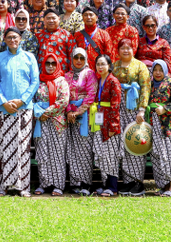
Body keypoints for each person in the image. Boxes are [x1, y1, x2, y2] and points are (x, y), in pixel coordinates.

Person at [0, 28, 39, 196]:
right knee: (4, 146)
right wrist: (4, 102)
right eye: (9, 37)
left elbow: (35, 81)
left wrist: (23, 100)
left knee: (23, 146)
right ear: (5, 40)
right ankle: (3, 186)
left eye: (15, 37)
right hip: (4, 109)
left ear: (20, 39)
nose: (12, 40)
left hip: (24, 109)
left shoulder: (29, 57)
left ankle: (23, 186)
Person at [112, 38, 151, 195]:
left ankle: (137, 181)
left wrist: (142, 109)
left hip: (134, 107)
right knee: (123, 143)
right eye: (123, 48)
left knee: (135, 141)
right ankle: (127, 181)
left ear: (133, 49)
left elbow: (145, 87)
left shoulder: (140, 66)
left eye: (129, 48)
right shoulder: (114, 66)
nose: (126, 50)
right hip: (119, 108)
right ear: (118, 50)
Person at [32, 52, 70, 195]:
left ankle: (58, 185)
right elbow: (33, 99)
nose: (50, 66)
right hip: (40, 121)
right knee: (42, 152)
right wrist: (38, 112)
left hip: (56, 122)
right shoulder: (39, 81)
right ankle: (44, 184)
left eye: (53, 63)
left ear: (57, 65)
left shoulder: (62, 81)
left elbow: (63, 100)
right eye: (47, 63)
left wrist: (47, 112)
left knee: (57, 154)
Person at [146, 59, 171, 196]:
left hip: (169, 125)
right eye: (155, 70)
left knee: (170, 155)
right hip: (154, 123)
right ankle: (164, 186)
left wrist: (165, 108)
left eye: (160, 70)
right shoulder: (150, 84)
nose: (157, 73)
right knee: (157, 154)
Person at [63, 47, 97, 195]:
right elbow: (64, 95)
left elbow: (91, 94)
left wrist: (78, 111)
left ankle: (85, 182)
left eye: (81, 58)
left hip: (85, 116)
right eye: (76, 57)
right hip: (70, 116)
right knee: (73, 150)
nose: (78, 60)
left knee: (84, 149)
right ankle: (75, 182)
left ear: (86, 59)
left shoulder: (89, 74)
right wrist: (69, 111)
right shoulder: (67, 75)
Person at [90, 55, 125, 197]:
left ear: (109, 66)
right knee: (103, 154)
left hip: (110, 123)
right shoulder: (99, 80)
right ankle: (105, 184)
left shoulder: (113, 81)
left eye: (103, 64)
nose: (100, 67)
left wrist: (113, 126)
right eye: (98, 64)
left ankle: (112, 186)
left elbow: (116, 105)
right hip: (99, 120)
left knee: (111, 155)